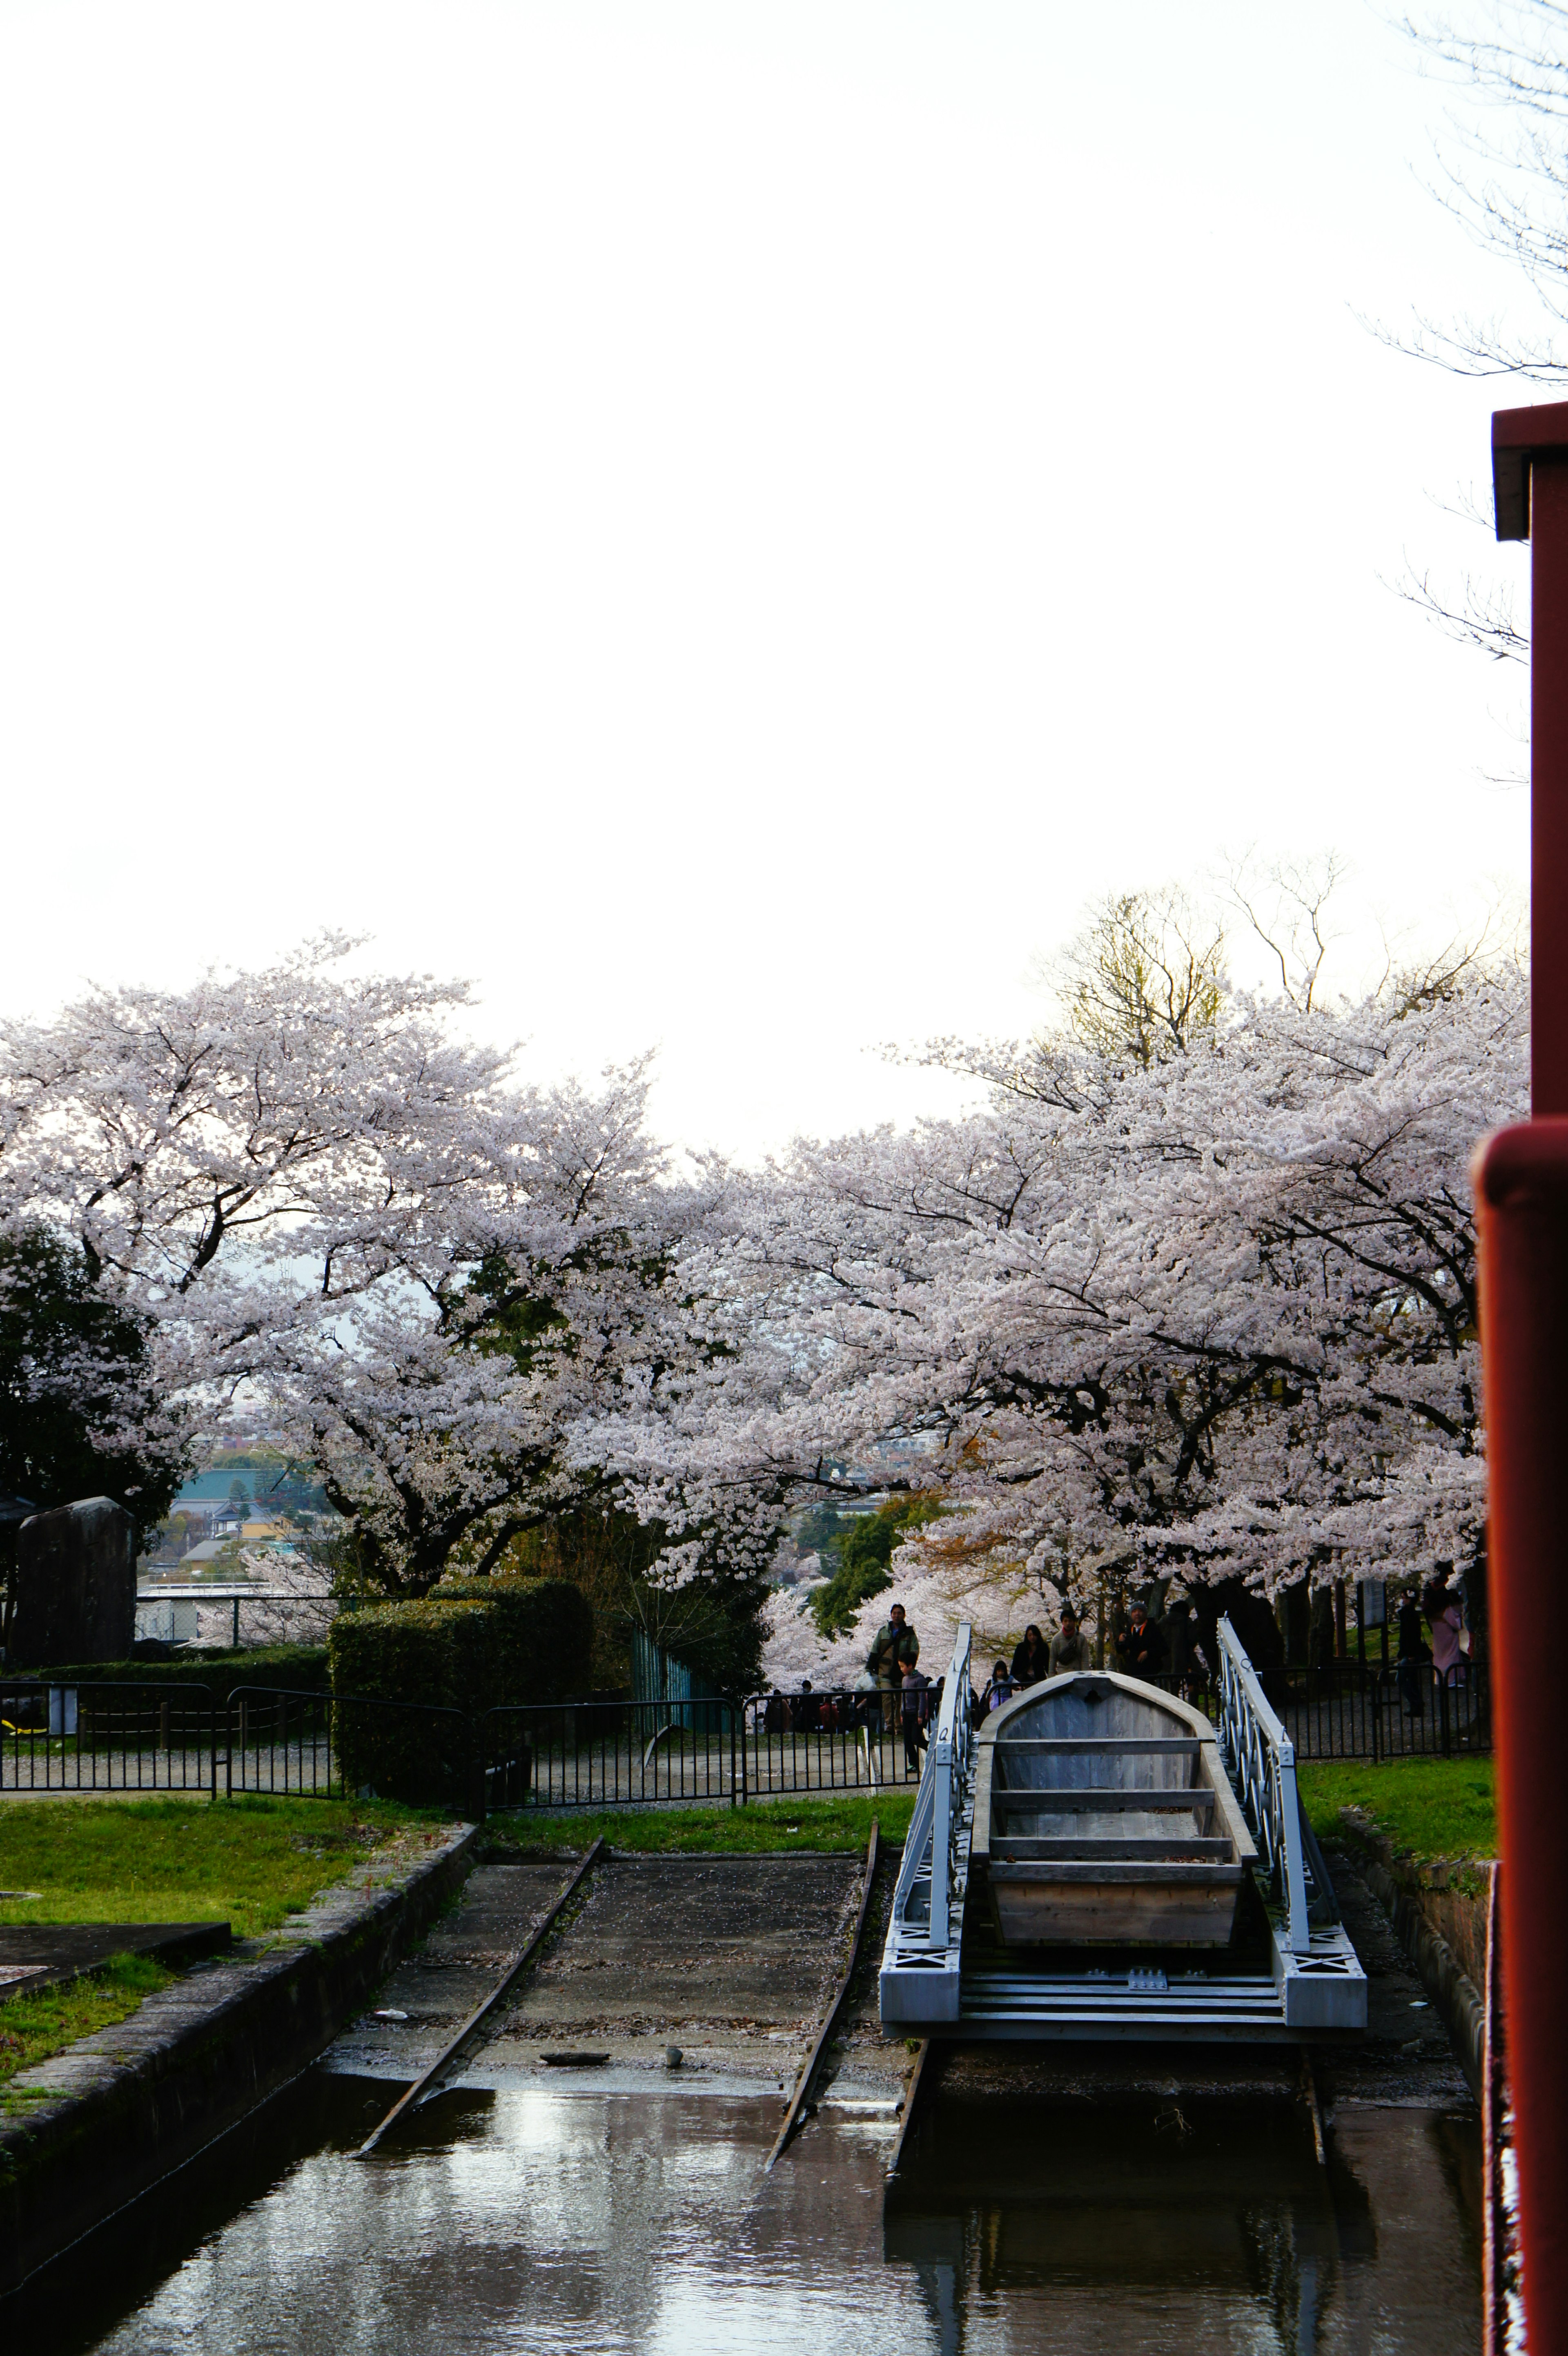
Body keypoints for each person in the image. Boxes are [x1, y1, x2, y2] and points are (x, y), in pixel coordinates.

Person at [869, 1602, 919, 1732]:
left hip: (902, 1671)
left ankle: (898, 1724)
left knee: (899, 1698)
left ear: (904, 1615)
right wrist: (869, 1668)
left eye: (899, 1613)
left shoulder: (909, 1633)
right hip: (885, 1670)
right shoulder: (883, 1632)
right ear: (891, 1615)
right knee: (887, 1695)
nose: (896, 1616)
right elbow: (875, 1649)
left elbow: (915, 1650)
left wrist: (908, 1664)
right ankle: (889, 1724)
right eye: (894, 1613)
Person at [1116, 1599, 1168, 1680]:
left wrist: (1148, 1653)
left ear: (1145, 1614)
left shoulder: (1153, 1629)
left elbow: (1164, 1649)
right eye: (1134, 1611)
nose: (1137, 1614)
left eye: (1140, 1611)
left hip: (1151, 1673)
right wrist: (1120, 1642)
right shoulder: (1130, 1630)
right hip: (1134, 1673)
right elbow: (1121, 1651)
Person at [1396, 1588, 1428, 1717]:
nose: (1402, 1600)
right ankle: (1417, 1705)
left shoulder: (1409, 1615)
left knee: (1401, 1679)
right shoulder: (1411, 1614)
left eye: (1404, 1597)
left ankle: (1416, 1702)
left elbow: (1410, 1636)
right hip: (1412, 1652)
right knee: (1412, 1679)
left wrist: (1409, 1654)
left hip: (1411, 1653)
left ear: (1409, 1599)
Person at [901, 1666, 931, 1769]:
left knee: (916, 1738)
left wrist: (920, 1715)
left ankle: (931, 1748)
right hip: (906, 1713)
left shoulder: (920, 1680)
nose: (901, 1669)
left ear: (910, 1666)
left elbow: (923, 1698)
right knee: (907, 1740)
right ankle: (913, 1763)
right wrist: (902, 1712)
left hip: (916, 1713)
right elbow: (903, 1698)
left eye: (902, 1666)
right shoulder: (905, 1679)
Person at [1049, 1608, 1094, 1675]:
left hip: (1078, 1674)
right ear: (1062, 1622)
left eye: (1070, 1621)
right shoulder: (1056, 1639)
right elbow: (1053, 1660)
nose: (1068, 1624)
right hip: (1062, 1675)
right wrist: (1051, 1678)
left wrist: (1085, 1675)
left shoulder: (1081, 1638)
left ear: (1074, 1622)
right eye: (1066, 1621)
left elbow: (1085, 1659)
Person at [1009, 1623, 1049, 1689]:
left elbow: (1047, 1665)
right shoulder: (1021, 1647)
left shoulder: (1044, 1647)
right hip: (1025, 1678)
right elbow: (1015, 1665)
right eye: (1030, 1635)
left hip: (1039, 1677)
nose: (1032, 1637)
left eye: (1034, 1635)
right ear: (1027, 1636)